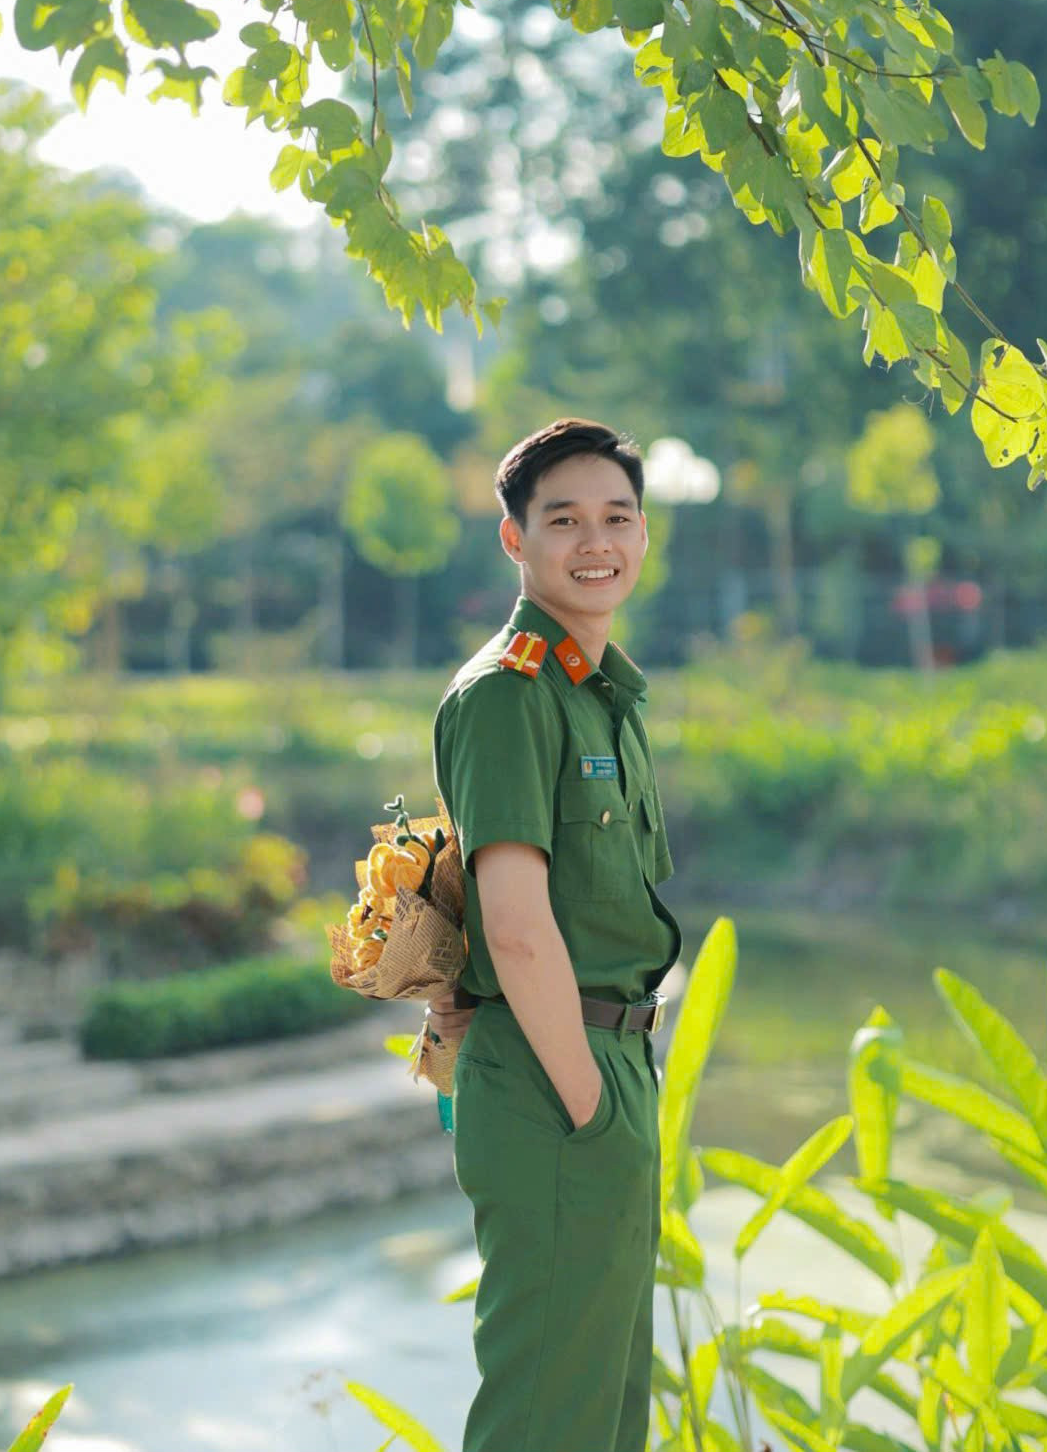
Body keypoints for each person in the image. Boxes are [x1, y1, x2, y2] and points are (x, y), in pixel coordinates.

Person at [426, 417, 682, 1452]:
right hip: (553, 1077)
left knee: (607, 1408)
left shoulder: (603, 695)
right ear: (513, 540)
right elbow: (517, 927)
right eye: (563, 519)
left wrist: (613, 1087)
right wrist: (585, 1100)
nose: (595, 542)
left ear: (644, 533)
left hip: (609, 1063)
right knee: (544, 1416)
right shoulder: (507, 695)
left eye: (616, 517)